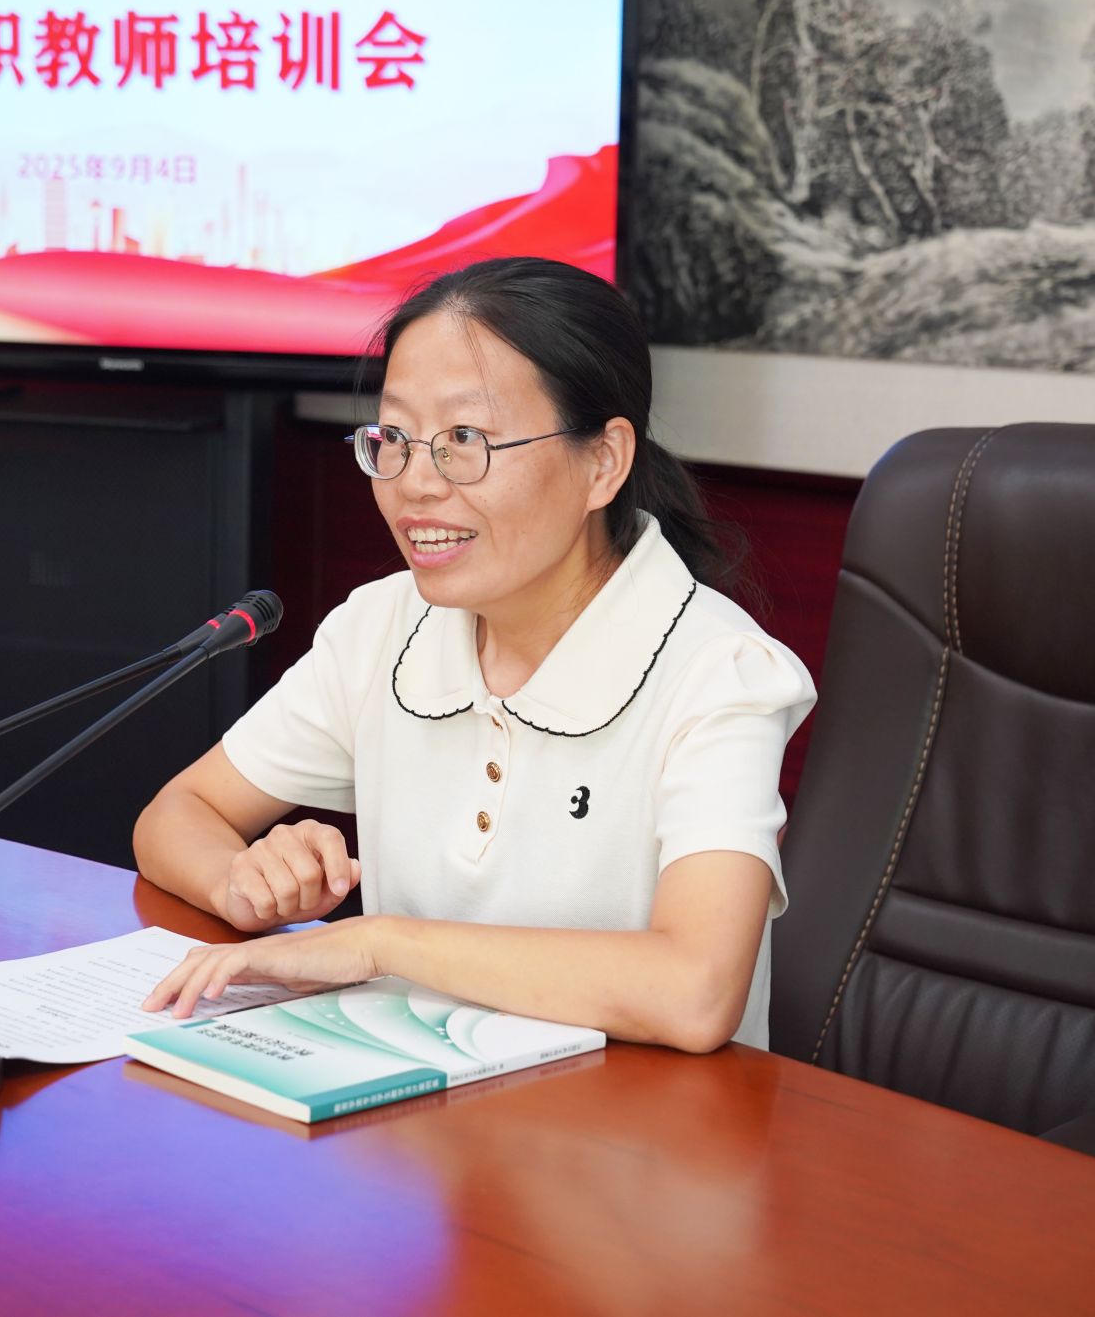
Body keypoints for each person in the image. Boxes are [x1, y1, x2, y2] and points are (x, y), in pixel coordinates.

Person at [135, 256, 816, 1052]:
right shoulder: (383, 627)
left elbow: (696, 990)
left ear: (603, 461)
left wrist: (377, 943)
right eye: (395, 438)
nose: (416, 483)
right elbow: (176, 815)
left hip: (638, 1123)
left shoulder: (718, 671)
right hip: (410, 1102)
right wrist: (243, 883)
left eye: (465, 438)